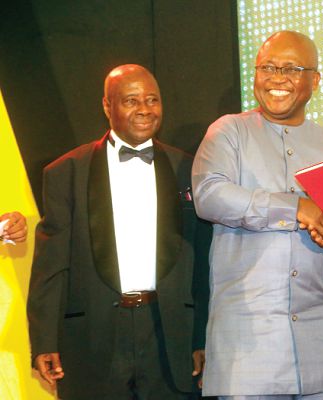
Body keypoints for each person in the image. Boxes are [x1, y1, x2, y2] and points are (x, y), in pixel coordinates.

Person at [192, 30, 323, 399]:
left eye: (292, 68)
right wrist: (297, 207)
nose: (277, 77)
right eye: (268, 66)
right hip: (248, 351)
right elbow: (210, 195)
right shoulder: (228, 132)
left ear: (314, 80)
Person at [27, 64, 211, 400]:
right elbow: (50, 266)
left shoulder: (190, 168)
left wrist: (203, 336)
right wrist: (44, 342)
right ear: (107, 106)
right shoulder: (66, 172)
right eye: (131, 100)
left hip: (170, 335)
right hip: (93, 337)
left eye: (152, 100)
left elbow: (202, 263)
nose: (144, 109)